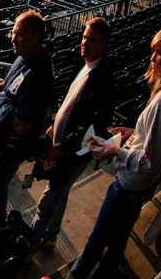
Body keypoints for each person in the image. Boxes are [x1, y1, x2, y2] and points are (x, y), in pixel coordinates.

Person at [65, 24, 161, 279]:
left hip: (129, 186)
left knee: (96, 242)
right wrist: (132, 132)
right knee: (115, 243)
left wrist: (115, 149)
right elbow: (154, 140)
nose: (153, 59)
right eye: (153, 52)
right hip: (140, 187)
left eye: (160, 53)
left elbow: (147, 160)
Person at [26, 18, 115, 248]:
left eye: (91, 40)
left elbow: (96, 127)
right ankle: (52, 235)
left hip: (74, 151)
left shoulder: (105, 80)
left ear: (104, 44)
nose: (84, 43)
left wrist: (63, 148)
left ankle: (31, 241)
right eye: (84, 37)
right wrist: (55, 124)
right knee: (60, 190)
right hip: (61, 140)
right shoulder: (82, 64)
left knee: (51, 195)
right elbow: (70, 101)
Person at [0, 10, 54, 241]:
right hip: (0, 142)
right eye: (13, 34)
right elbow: (10, 87)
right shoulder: (23, 57)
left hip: (11, 146)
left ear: (36, 37)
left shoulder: (40, 74)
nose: (13, 39)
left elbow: (23, 125)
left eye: (19, 35)